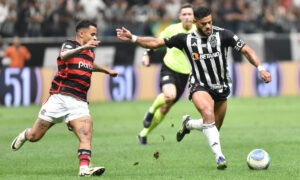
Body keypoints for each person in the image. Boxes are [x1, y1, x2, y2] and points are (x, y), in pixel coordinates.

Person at [116, 6, 272, 169]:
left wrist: (261, 68)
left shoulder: (223, 34)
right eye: (204, 24)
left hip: (221, 86)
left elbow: (246, 50)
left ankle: (188, 124)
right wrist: (133, 38)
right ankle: (219, 157)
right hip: (199, 85)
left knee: (213, 127)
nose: (208, 27)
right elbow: (156, 42)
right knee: (207, 114)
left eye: (210, 22)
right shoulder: (185, 39)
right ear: (195, 22)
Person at [11, 20, 118, 177]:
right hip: (59, 98)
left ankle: (84, 169)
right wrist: (84, 47)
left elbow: (90, 65)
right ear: (81, 33)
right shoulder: (69, 45)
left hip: (79, 101)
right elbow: (64, 56)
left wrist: (106, 70)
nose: (95, 37)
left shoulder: (90, 52)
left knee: (86, 133)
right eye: (92, 34)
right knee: (35, 136)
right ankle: (25, 134)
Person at [137, 3, 196, 145]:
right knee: (170, 95)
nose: (187, 17)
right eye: (185, 14)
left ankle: (143, 133)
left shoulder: (198, 31)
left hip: (184, 75)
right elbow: (156, 42)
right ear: (180, 16)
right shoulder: (172, 29)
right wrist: (147, 55)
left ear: (194, 17)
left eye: (190, 14)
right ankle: (151, 110)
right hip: (169, 68)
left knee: (166, 106)